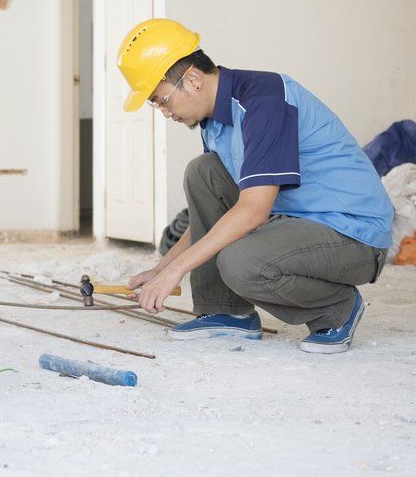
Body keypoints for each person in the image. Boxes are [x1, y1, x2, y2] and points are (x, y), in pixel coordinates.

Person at [116, 19, 393, 353]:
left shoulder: (264, 101)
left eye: (161, 100)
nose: (163, 112)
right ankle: (226, 310)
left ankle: (336, 309)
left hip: (354, 235)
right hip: (302, 223)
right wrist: (160, 270)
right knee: (204, 172)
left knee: (241, 262)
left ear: (192, 79)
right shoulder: (214, 121)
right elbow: (216, 218)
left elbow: (253, 211)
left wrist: (176, 270)